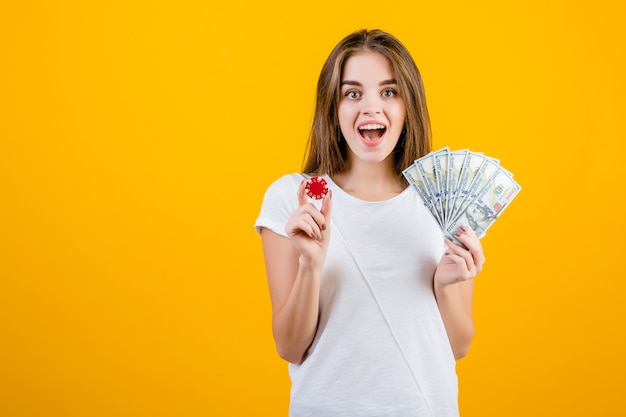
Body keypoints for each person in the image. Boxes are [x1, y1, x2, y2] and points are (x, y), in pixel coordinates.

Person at [255, 29, 486, 417]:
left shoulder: (445, 198)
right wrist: (311, 264)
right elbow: (289, 347)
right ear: (334, 107)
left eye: (389, 92)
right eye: (353, 93)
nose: (371, 108)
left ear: (408, 105)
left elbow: (459, 346)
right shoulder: (293, 199)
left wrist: (445, 285)